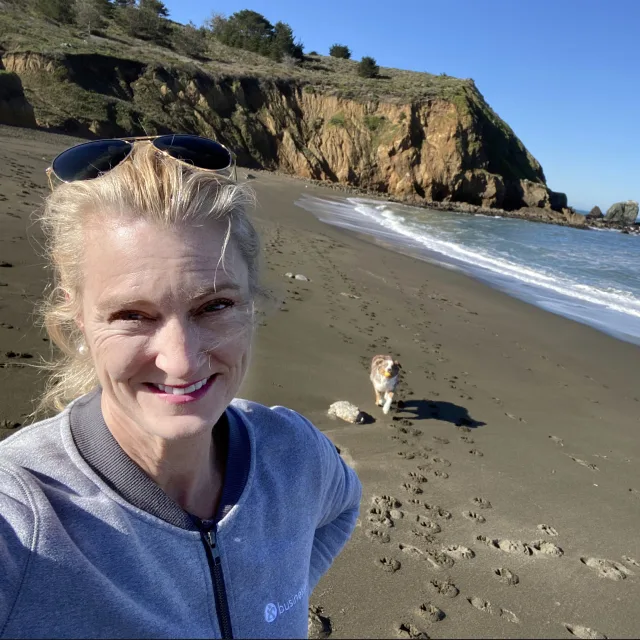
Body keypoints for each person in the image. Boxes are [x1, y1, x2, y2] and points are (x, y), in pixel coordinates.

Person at [0, 135, 362, 639]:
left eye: (214, 307)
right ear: (77, 316)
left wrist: (272, 604)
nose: (181, 360)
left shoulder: (293, 452)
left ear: (250, 302)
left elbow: (342, 507)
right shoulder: (26, 512)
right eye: (132, 315)